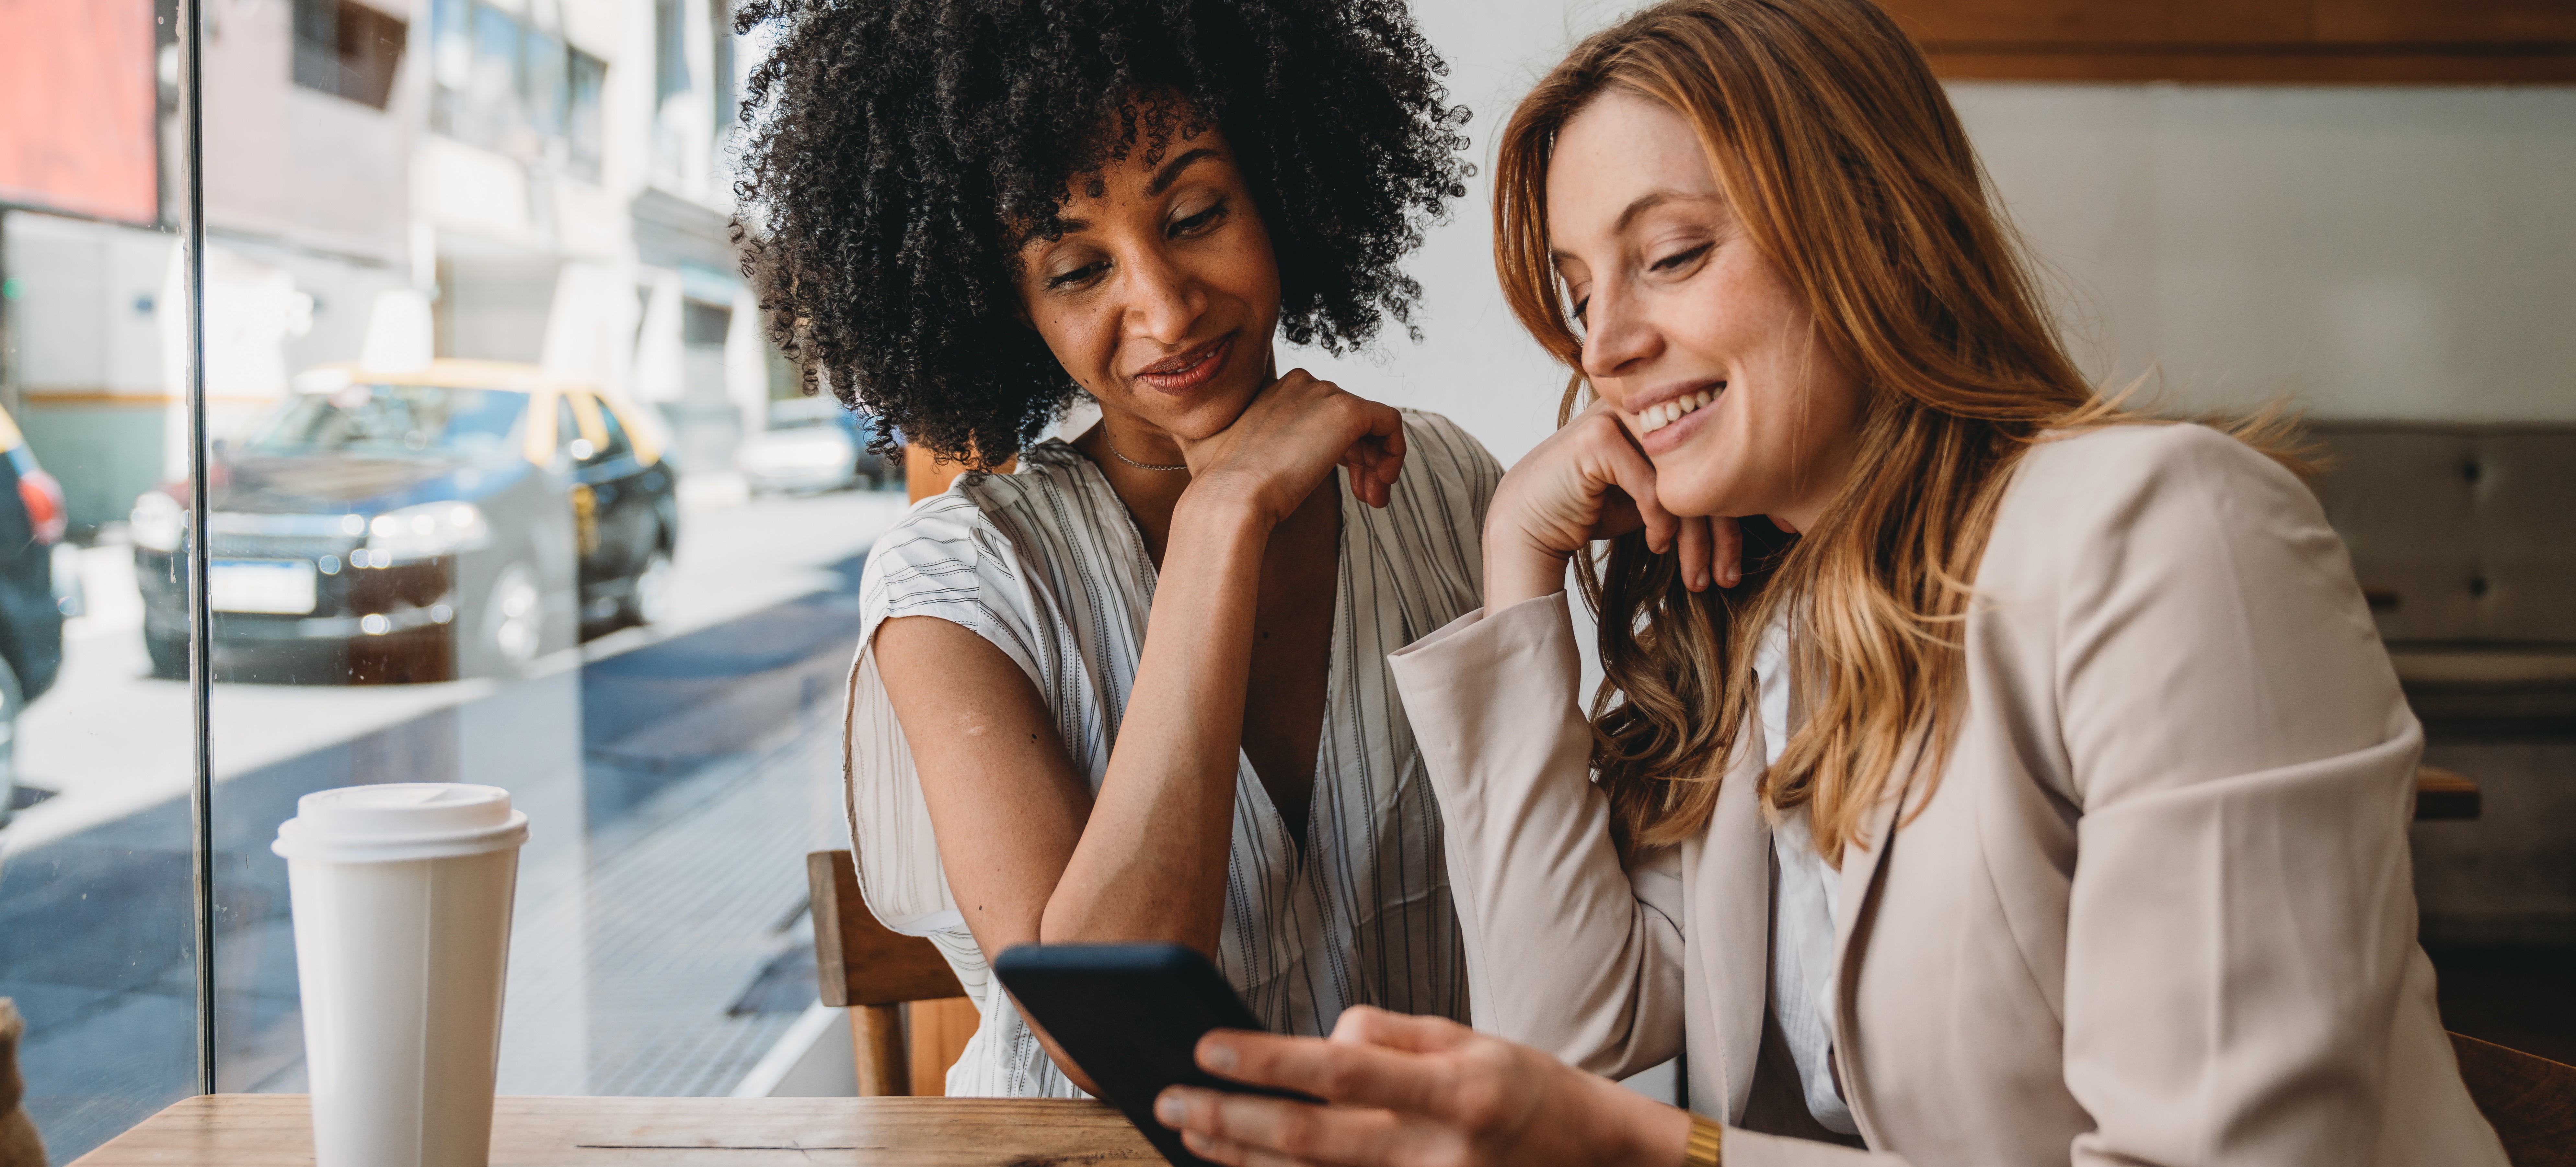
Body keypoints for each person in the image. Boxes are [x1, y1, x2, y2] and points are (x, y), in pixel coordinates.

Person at [1153, 1, 2510, 1163]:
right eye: (1577, 295)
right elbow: (1563, 1035)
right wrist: (1516, 562)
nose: (1608, 343)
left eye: (1672, 253)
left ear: (1870, 227)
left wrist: (1652, 1148)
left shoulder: (2159, 536)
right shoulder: (1773, 629)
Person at [731, 0, 1497, 1098]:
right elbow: (1101, 1030)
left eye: (1192, 213)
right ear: (1009, 307)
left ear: (1276, 186)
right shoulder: (956, 581)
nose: (1167, 307)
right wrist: (1221, 518)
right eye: (1078, 270)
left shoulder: (1443, 486)